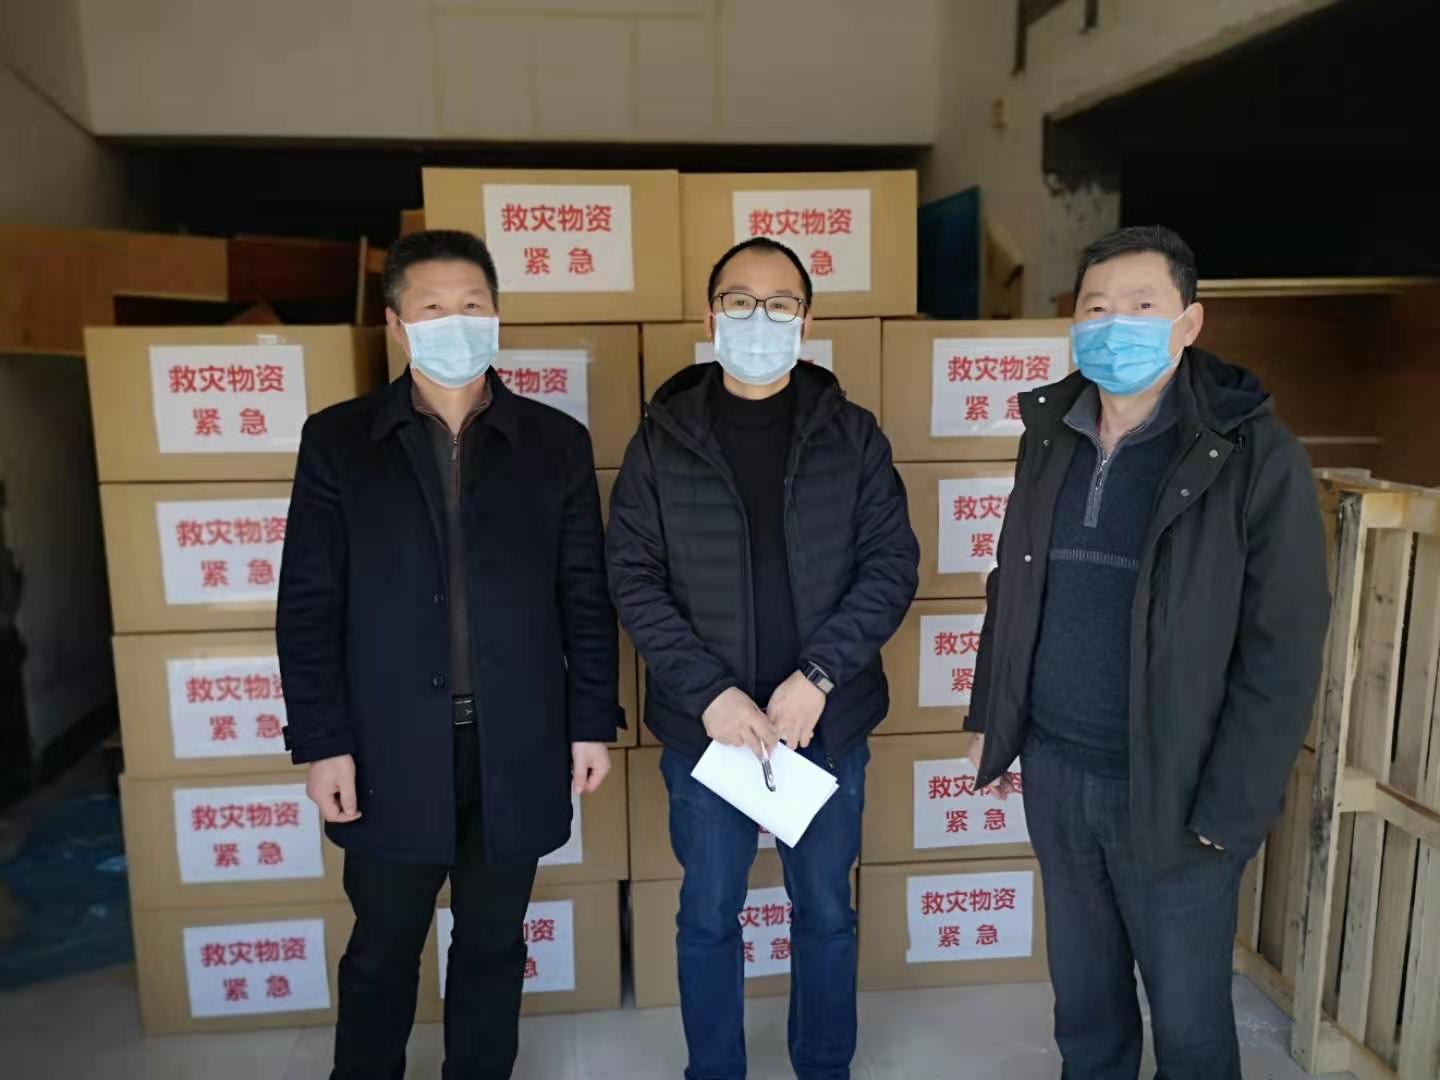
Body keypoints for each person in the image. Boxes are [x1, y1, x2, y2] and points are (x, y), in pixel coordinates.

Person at [965, 225, 1329, 1079]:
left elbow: (1282, 645)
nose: (1114, 325)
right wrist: (994, 718)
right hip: (1057, 771)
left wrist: (1229, 812)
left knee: (1190, 1025)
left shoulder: (1252, 453)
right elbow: (1013, 582)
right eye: (1097, 308)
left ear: (1188, 323)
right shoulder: (1050, 430)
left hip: (1175, 789)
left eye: (1140, 305)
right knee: (1086, 1009)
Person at [277, 229, 621, 1080]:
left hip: (518, 740)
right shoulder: (341, 441)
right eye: (433, 308)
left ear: (496, 315)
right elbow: (310, 605)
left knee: (494, 942)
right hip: (388, 745)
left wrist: (589, 722)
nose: (455, 322)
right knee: (383, 946)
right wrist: (323, 742)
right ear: (397, 325)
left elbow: (584, 593)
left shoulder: (554, 443)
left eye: (473, 305)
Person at [607, 237, 919, 1080]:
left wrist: (818, 678)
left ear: (806, 322)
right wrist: (709, 693)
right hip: (708, 733)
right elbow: (631, 576)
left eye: (780, 304)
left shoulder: (851, 435)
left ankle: (824, 1067)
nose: (759, 318)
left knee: (825, 911)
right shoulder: (663, 439)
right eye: (739, 301)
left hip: (824, 724)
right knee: (709, 914)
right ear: (710, 316)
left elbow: (891, 565)